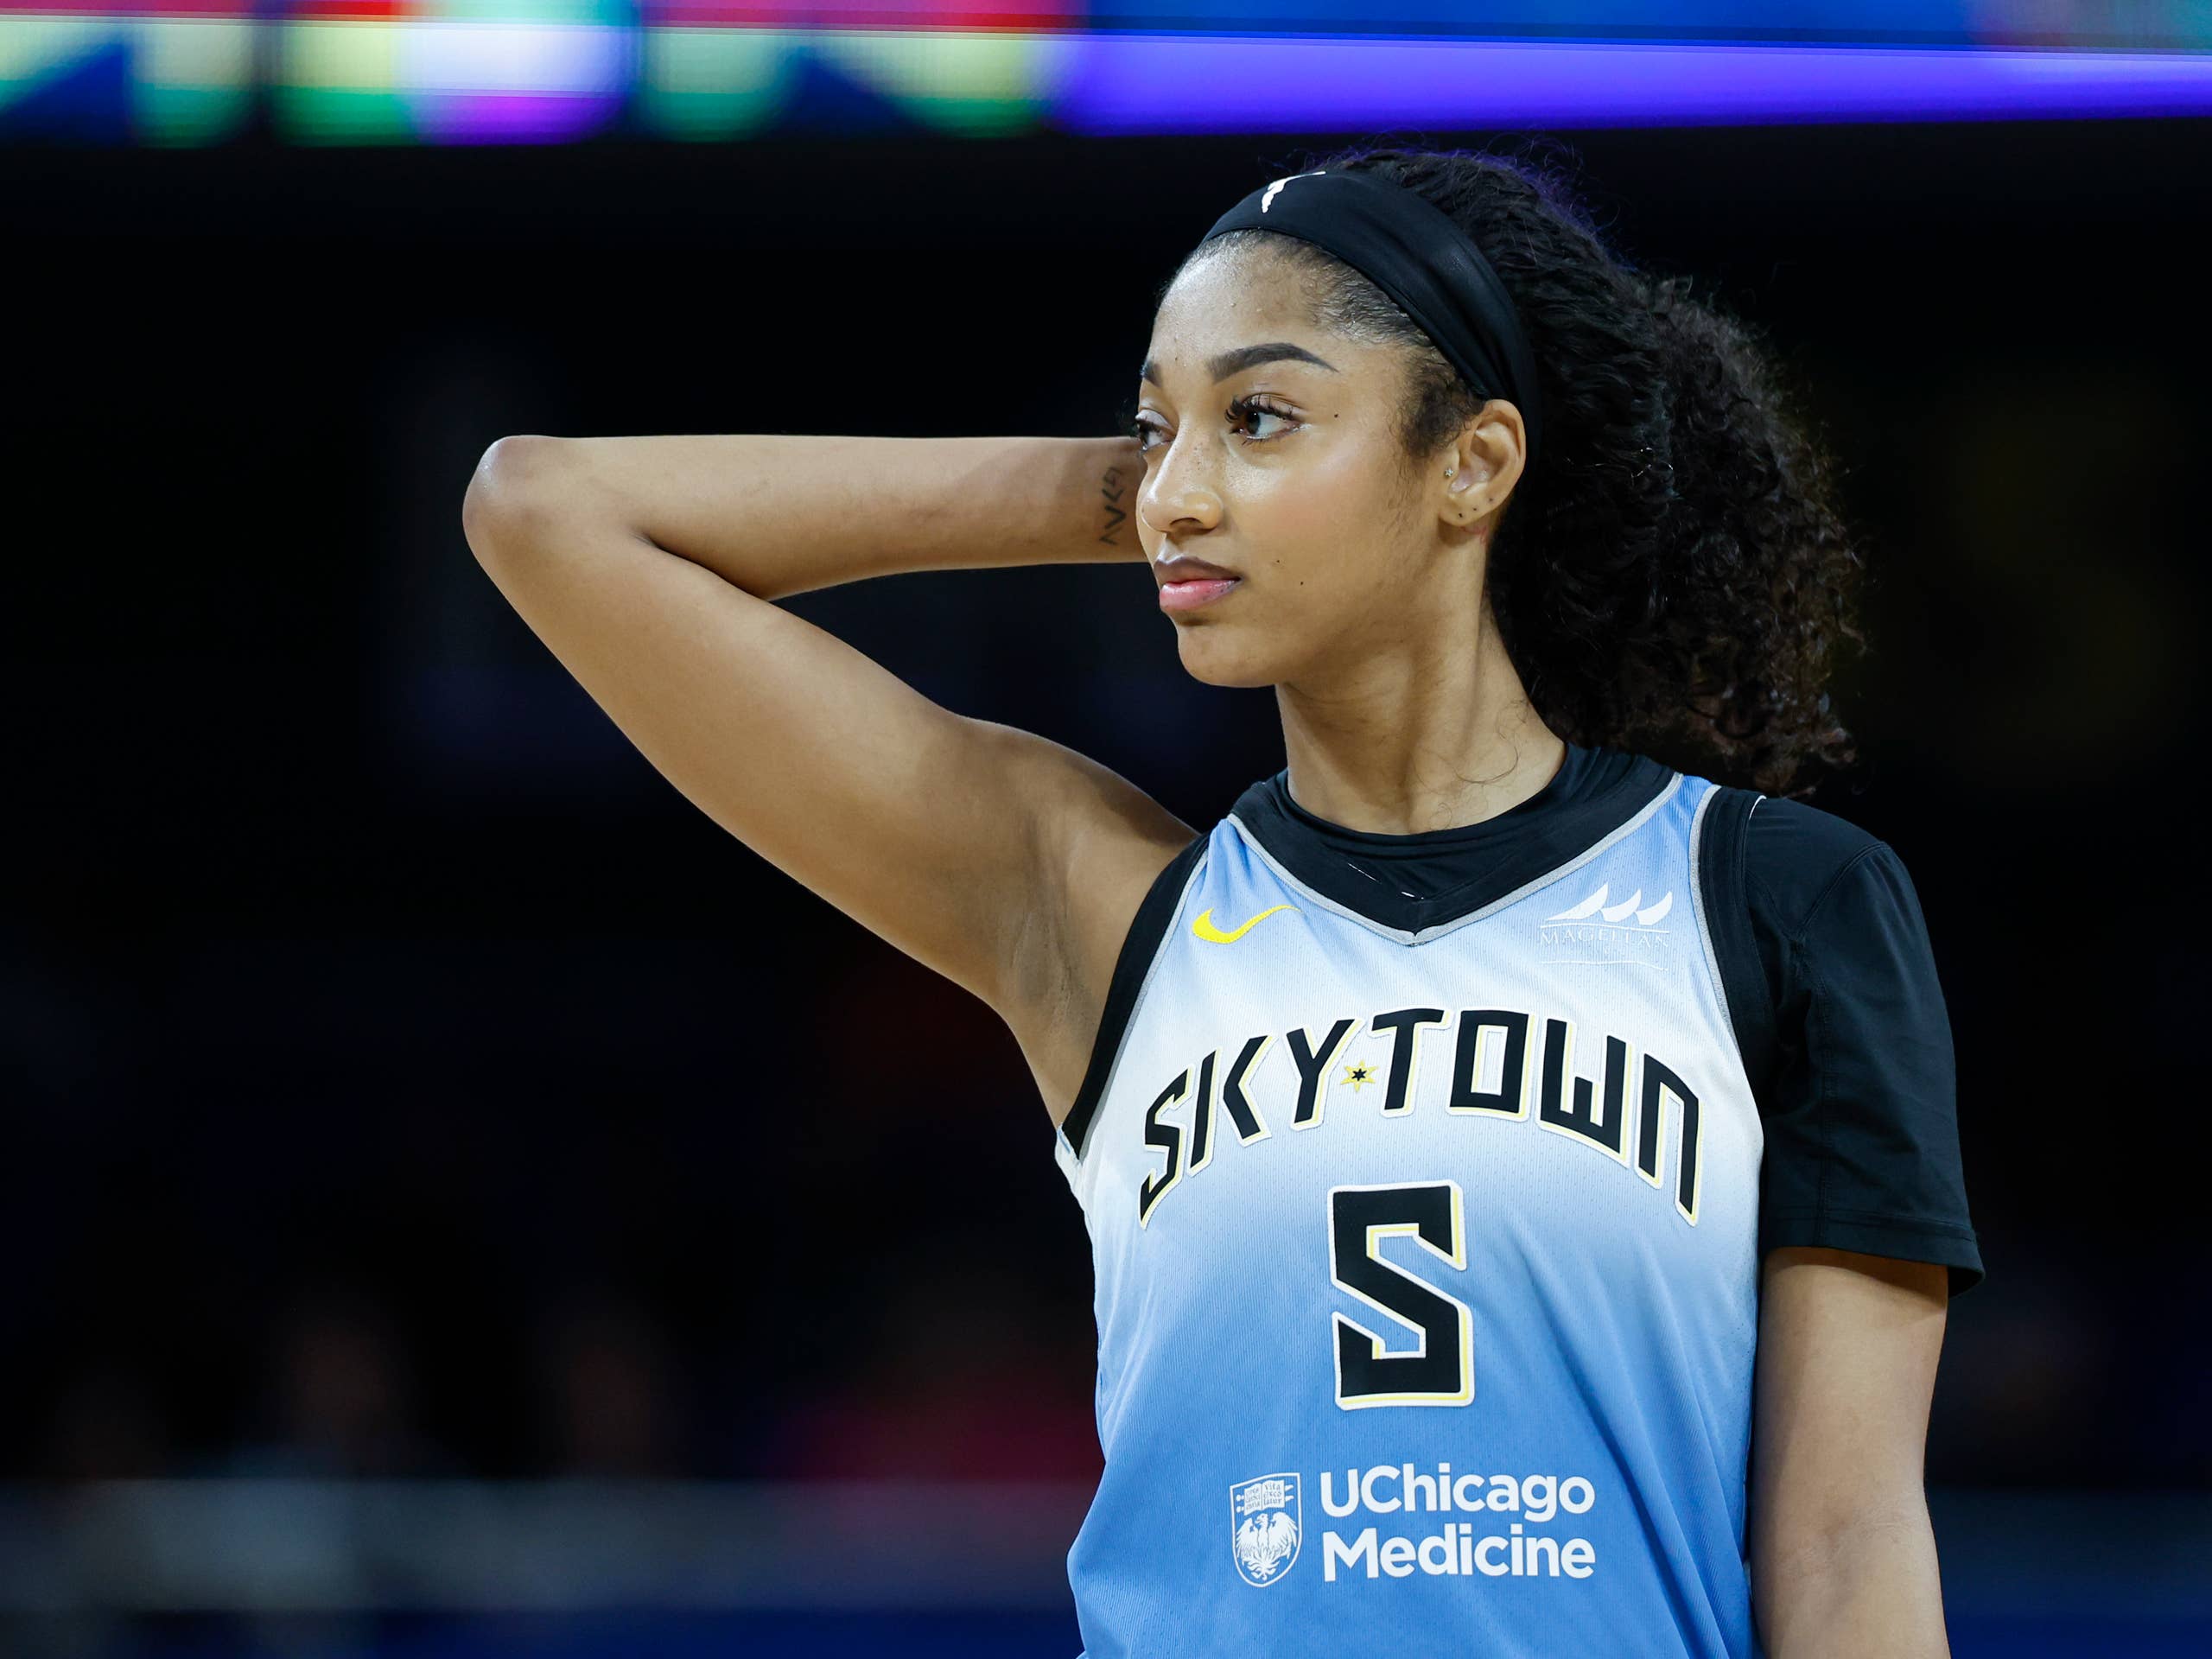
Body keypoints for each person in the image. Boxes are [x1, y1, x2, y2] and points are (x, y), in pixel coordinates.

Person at [461, 140, 1980, 1659]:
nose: (1177, 491)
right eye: (1154, 430)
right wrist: (1145, 496)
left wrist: (1209, 494)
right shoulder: (1095, 905)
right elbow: (544, 509)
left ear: (1474, 461)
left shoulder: (1768, 901)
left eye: (1260, 417)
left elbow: (1847, 1545)